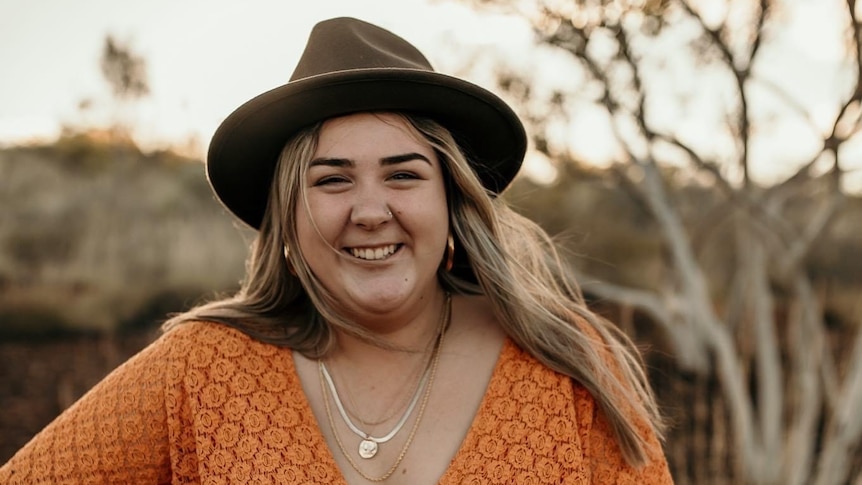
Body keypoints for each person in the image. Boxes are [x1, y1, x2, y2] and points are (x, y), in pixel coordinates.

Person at [0, 16, 673, 484]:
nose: (370, 210)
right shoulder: (201, 369)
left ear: (452, 201)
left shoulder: (568, 366)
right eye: (332, 179)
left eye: (404, 173)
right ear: (288, 215)